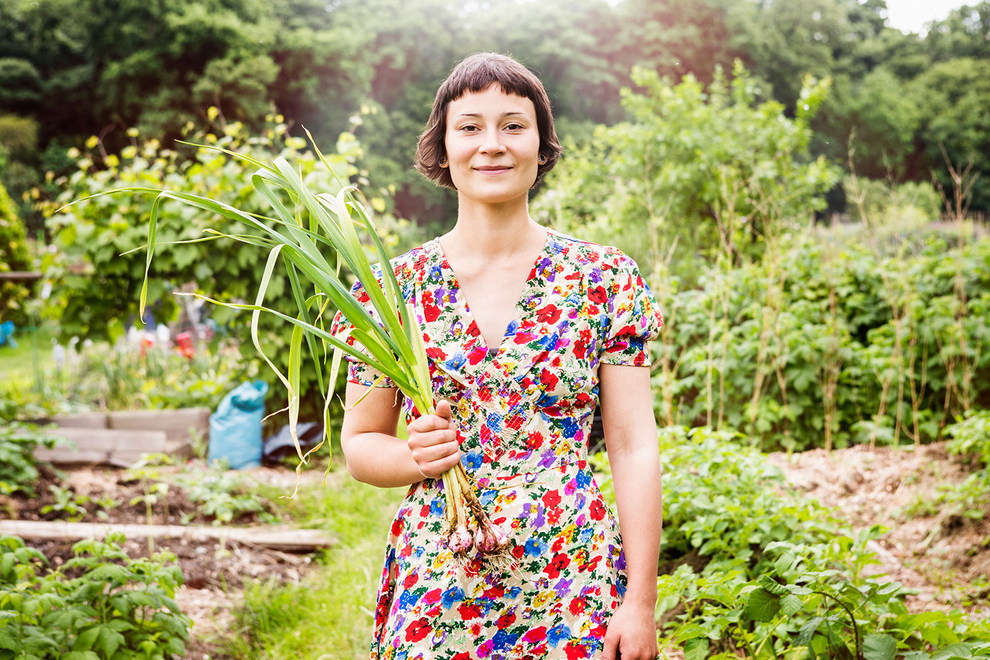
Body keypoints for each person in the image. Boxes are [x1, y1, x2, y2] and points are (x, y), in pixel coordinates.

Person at [334, 52, 664, 660]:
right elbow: (360, 446)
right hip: (438, 578)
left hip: (573, 572)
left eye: (514, 126)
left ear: (542, 148)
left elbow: (634, 444)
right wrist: (414, 456)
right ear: (442, 150)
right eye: (470, 126)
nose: (493, 144)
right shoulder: (393, 289)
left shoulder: (602, 278)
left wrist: (639, 602)